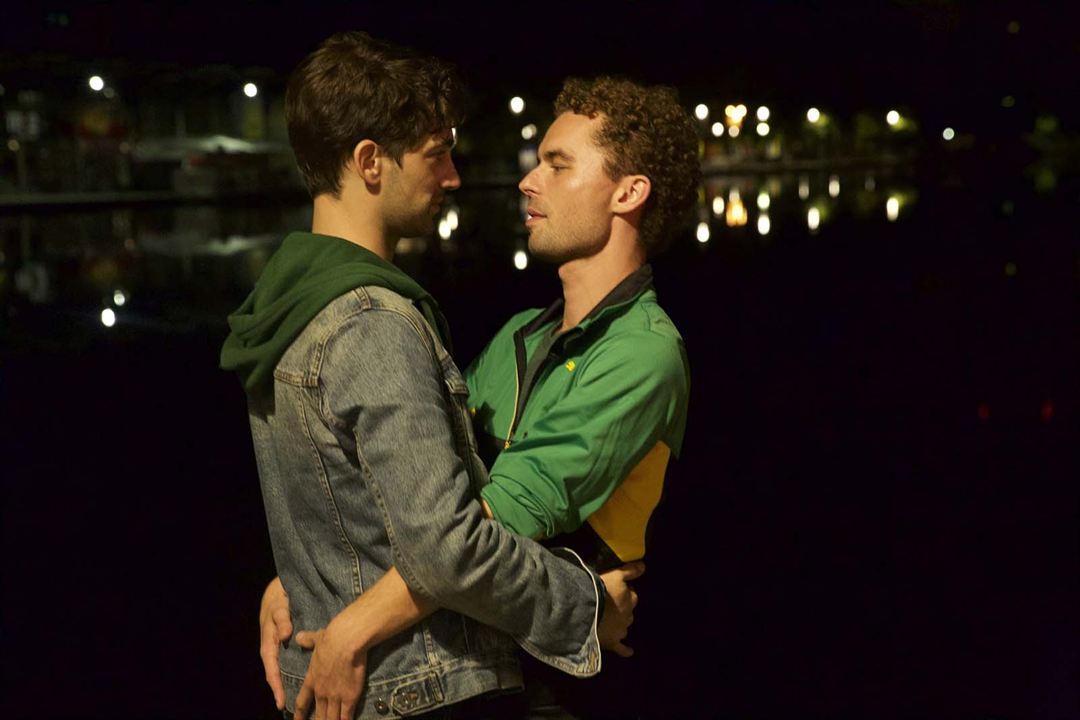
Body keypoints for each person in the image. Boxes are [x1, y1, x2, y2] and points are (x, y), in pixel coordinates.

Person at [221, 32, 640, 720]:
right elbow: (447, 548)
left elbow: (337, 513)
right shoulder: (371, 321)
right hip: (426, 691)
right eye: (435, 152)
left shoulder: (287, 306)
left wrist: (289, 581)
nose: (452, 175)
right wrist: (586, 604)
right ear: (369, 162)